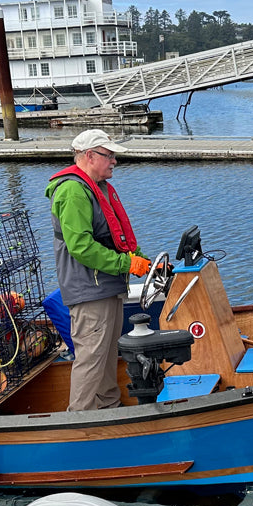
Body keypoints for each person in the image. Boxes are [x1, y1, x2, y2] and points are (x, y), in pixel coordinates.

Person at [45, 129, 150, 411]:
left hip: (107, 286)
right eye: (109, 155)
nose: (114, 161)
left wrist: (144, 261)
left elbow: (116, 238)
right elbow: (81, 247)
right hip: (89, 290)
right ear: (89, 156)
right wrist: (127, 264)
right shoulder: (72, 191)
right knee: (91, 358)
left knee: (106, 354)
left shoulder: (98, 187)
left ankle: (108, 409)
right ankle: (78, 421)